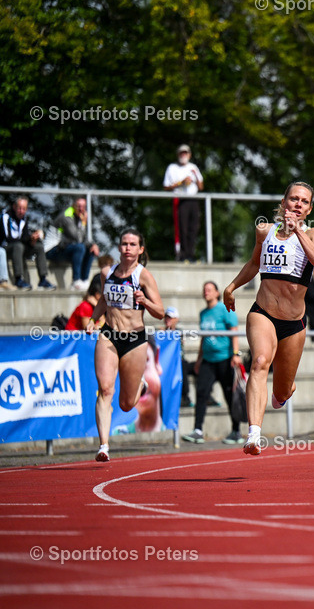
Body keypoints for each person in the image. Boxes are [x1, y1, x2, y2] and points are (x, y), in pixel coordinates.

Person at [223, 181, 314, 455]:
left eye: (304, 202)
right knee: (259, 363)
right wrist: (231, 286)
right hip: (263, 313)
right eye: (293, 199)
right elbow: (255, 264)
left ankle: (284, 389)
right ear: (284, 203)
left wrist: (298, 232)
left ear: (309, 209)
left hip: (294, 324)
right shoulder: (264, 231)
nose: (297, 204)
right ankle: (254, 434)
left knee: (281, 393)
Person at [86, 228, 164, 462]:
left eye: (132, 244)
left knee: (127, 404)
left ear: (140, 250)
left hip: (134, 339)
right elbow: (103, 301)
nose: (127, 248)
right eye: (124, 244)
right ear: (119, 248)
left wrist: (145, 301)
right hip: (108, 334)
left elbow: (160, 311)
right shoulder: (106, 272)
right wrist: (93, 319)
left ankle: (138, 385)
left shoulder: (144, 276)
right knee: (106, 389)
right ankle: (104, 445)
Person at [183, 281, 244, 444]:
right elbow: (204, 338)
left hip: (225, 359)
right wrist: (198, 360)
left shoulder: (224, 309)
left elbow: (234, 331)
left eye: (209, 290)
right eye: (204, 290)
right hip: (208, 361)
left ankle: (236, 431)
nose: (206, 292)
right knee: (201, 394)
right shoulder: (203, 313)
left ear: (217, 293)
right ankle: (197, 430)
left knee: (230, 396)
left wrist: (236, 354)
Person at [47, 197, 100, 290]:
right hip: (52, 250)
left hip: (64, 248)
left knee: (90, 249)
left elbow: (84, 239)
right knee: (80, 248)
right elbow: (78, 238)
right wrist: (83, 223)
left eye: (83, 206)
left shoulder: (79, 217)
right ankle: (76, 280)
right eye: (78, 206)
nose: (81, 209)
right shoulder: (67, 216)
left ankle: (84, 280)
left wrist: (93, 245)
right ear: (73, 206)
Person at [163, 144, 204, 263]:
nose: (183, 155)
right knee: (182, 228)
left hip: (193, 200)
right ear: (178, 155)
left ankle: (191, 254)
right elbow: (166, 186)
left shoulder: (193, 167)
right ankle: (183, 254)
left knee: (194, 228)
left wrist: (194, 180)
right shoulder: (172, 168)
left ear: (189, 155)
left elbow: (201, 186)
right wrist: (181, 183)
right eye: (181, 153)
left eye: (185, 153)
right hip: (180, 200)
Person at [3, 196, 54, 290]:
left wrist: (32, 239)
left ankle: (43, 279)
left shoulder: (24, 219)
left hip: (19, 247)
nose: (21, 211)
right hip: (6, 248)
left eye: (24, 209)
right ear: (14, 207)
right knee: (18, 246)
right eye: (19, 208)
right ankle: (18, 279)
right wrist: (27, 239)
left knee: (38, 247)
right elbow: (9, 238)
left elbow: (24, 237)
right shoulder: (6, 217)